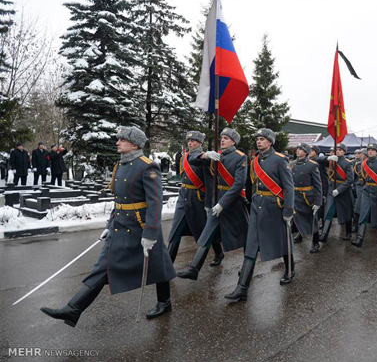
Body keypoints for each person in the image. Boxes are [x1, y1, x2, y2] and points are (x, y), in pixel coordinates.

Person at [40, 126, 176, 326]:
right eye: (118, 139)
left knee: (156, 262)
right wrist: (110, 223)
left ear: (135, 144)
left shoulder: (147, 167)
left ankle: (164, 302)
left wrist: (151, 233)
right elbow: (119, 200)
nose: (117, 142)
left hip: (139, 226)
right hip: (120, 225)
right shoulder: (120, 165)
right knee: (104, 266)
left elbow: (155, 203)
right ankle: (73, 309)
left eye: (122, 139)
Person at [224, 128, 295, 302]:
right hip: (257, 206)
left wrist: (288, 210)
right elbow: (251, 185)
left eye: (262, 139)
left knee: (282, 239)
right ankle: (242, 288)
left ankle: (290, 269)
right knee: (251, 244)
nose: (259, 142)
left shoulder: (280, 160)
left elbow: (289, 187)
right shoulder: (255, 161)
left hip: (274, 207)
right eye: (257, 139)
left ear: (270, 142)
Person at [177, 128, 248, 280]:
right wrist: (205, 154)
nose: (222, 140)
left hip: (233, 201)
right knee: (206, 234)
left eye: (227, 138)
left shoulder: (240, 157)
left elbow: (238, 184)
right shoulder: (216, 155)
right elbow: (192, 159)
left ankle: (247, 266)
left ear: (234, 141)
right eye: (222, 137)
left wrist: (222, 203)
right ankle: (194, 269)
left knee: (245, 236)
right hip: (217, 200)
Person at [166, 131, 214, 263]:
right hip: (183, 197)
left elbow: (210, 183)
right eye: (189, 141)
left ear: (200, 143)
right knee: (175, 231)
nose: (190, 143)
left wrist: (208, 203)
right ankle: (168, 265)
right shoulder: (184, 156)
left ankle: (218, 253)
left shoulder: (205, 158)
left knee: (204, 230)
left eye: (193, 141)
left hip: (198, 198)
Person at [318, 143, 354, 243]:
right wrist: (327, 158)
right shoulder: (331, 161)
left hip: (343, 191)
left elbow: (350, 180)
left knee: (346, 212)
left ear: (344, 151)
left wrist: (339, 190)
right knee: (329, 211)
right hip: (331, 189)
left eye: (340, 149)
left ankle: (348, 232)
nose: (337, 151)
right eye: (336, 149)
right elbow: (317, 160)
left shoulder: (348, 163)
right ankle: (324, 235)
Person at [289, 143, 322, 253]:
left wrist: (318, 202)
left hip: (307, 197)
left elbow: (318, 185)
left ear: (306, 152)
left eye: (301, 149)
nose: (297, 150)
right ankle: (300, 235)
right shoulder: (292, 164)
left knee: (313, 221)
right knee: (297, 217)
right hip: (295, 195)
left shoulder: (312, 165)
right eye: (297, 148)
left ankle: (315, 242)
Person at [352, 149, 365, 233]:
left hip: (369, 186)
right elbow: (353, 176)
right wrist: (354, 185)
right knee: (357, 206)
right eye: (356, 154)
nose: (358, 155)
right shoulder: (356, 164)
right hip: (359, 186)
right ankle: (355, 224)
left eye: (359, 154)